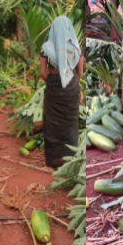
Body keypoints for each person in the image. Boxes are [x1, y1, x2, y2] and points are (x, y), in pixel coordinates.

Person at [40, 16, 85, 168]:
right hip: (71, 86)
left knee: (52, 122)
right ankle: (69, 160)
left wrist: (53, 82)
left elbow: (42, 73)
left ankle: (53, 159)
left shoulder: (46, 47)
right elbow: (79, 72)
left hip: (53, 85)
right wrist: (70, 81)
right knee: (70, 122)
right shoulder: (75, 47)